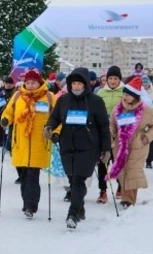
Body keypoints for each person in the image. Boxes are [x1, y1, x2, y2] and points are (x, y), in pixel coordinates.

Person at [44, 67, 111, 229]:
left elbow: (104, 126)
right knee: (72, 179)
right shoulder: (63, 100)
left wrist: (106, 148)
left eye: (79, 84)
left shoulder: (96, 101)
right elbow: (55, 117)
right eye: (73, 83)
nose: (76, 86)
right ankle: (80, 208)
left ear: (86, 84)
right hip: (67, 145)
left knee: (78, 180)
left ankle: (72, 214)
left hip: (89, 147)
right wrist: (49, 127)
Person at [1, 68, 55, 218]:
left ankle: (30, 206)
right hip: (21, 142)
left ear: (40, 83)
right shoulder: (18, 96)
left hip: (39, 143)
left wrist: (54, 132)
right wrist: (5, 120)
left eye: (34, 83)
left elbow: (56, 117)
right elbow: (9, 112)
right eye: (28, 83)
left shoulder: (49, 97)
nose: (31, 85)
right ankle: (26, 203)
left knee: (33, 175)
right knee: (24, 175)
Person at [107, 77, 153, 208]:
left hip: (138, 145)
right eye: (124, 94)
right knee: (122, 171)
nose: (125, 97)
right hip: (120, 144)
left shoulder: (146, 109)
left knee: (133, 171)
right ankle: (126, 196)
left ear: (135, 96)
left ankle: (129, 200)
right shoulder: (118, 108)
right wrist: (112, 135)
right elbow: (112, 124)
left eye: (128, 94)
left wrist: (146, 138)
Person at [96, 66, 124, 203]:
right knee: (103, 161)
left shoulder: (125, 92)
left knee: (118, 161)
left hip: (120, 132)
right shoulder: (101, 92)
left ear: (119, 79)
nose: (113, 81)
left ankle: (120, 186)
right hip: (104, 131)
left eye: (115, 78)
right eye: (110, 78)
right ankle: (103, 191)